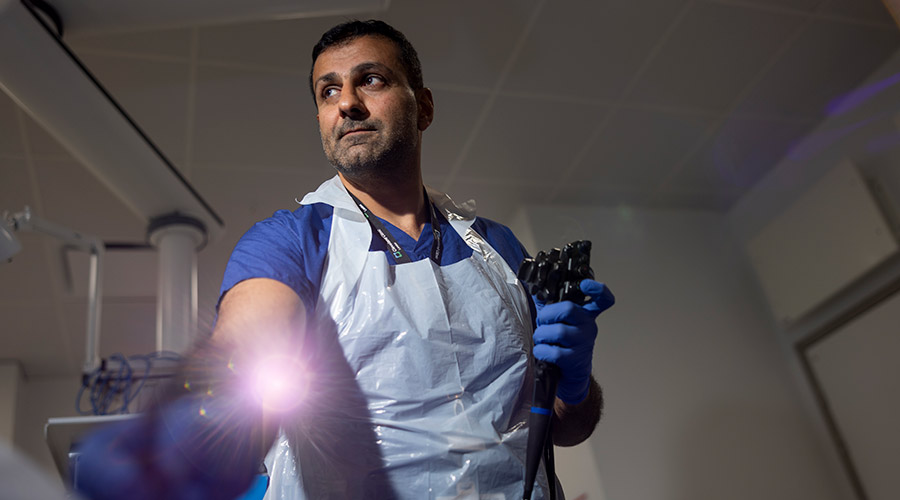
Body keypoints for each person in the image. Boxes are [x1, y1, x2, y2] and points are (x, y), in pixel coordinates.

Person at [76, 19, 614, 500]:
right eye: (328, 90)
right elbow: (248, 342)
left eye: (371, 80)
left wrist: (574, 384)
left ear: (423, 106)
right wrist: (196, 431)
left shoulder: (499, 249)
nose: (347, 102)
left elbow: (564, 428)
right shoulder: (291, 239)